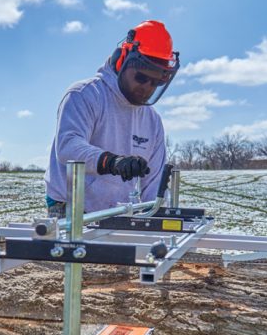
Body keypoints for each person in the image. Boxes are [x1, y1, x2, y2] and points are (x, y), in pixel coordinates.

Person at [45, 20, 180, 216]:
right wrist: (112, 162)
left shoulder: (152, 121)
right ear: (122, 61)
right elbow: (68, 147)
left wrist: (156, 217)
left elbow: (154, 183)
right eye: (141, 78)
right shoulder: (85, 94)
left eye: (156, 83)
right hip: (71, 208)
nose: (147, 88)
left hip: (118, 211)